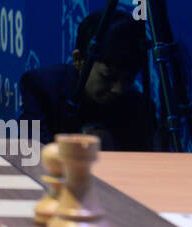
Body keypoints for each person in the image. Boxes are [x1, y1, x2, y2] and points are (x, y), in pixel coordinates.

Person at [19, 8, 154, 151]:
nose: (118, 89)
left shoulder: (140, 108)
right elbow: (32, 153)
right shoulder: (41, 88)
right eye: (108, 77)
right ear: (79, 60)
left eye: (129, 79)